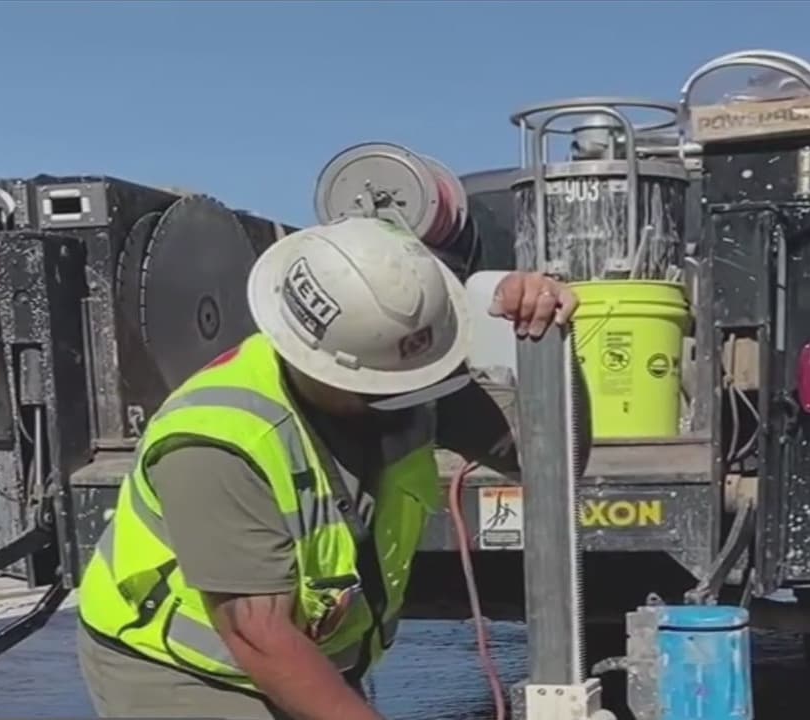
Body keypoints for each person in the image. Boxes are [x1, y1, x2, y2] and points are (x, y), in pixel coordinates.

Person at [74, 215, 581, 720]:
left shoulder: (405, 373)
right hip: (183, 670)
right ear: (317, 363)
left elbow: (556, 460)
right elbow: (258, 634)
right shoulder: (218, 442)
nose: (411, 396)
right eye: (385, 387)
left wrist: (552, 340)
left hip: (310, 647)